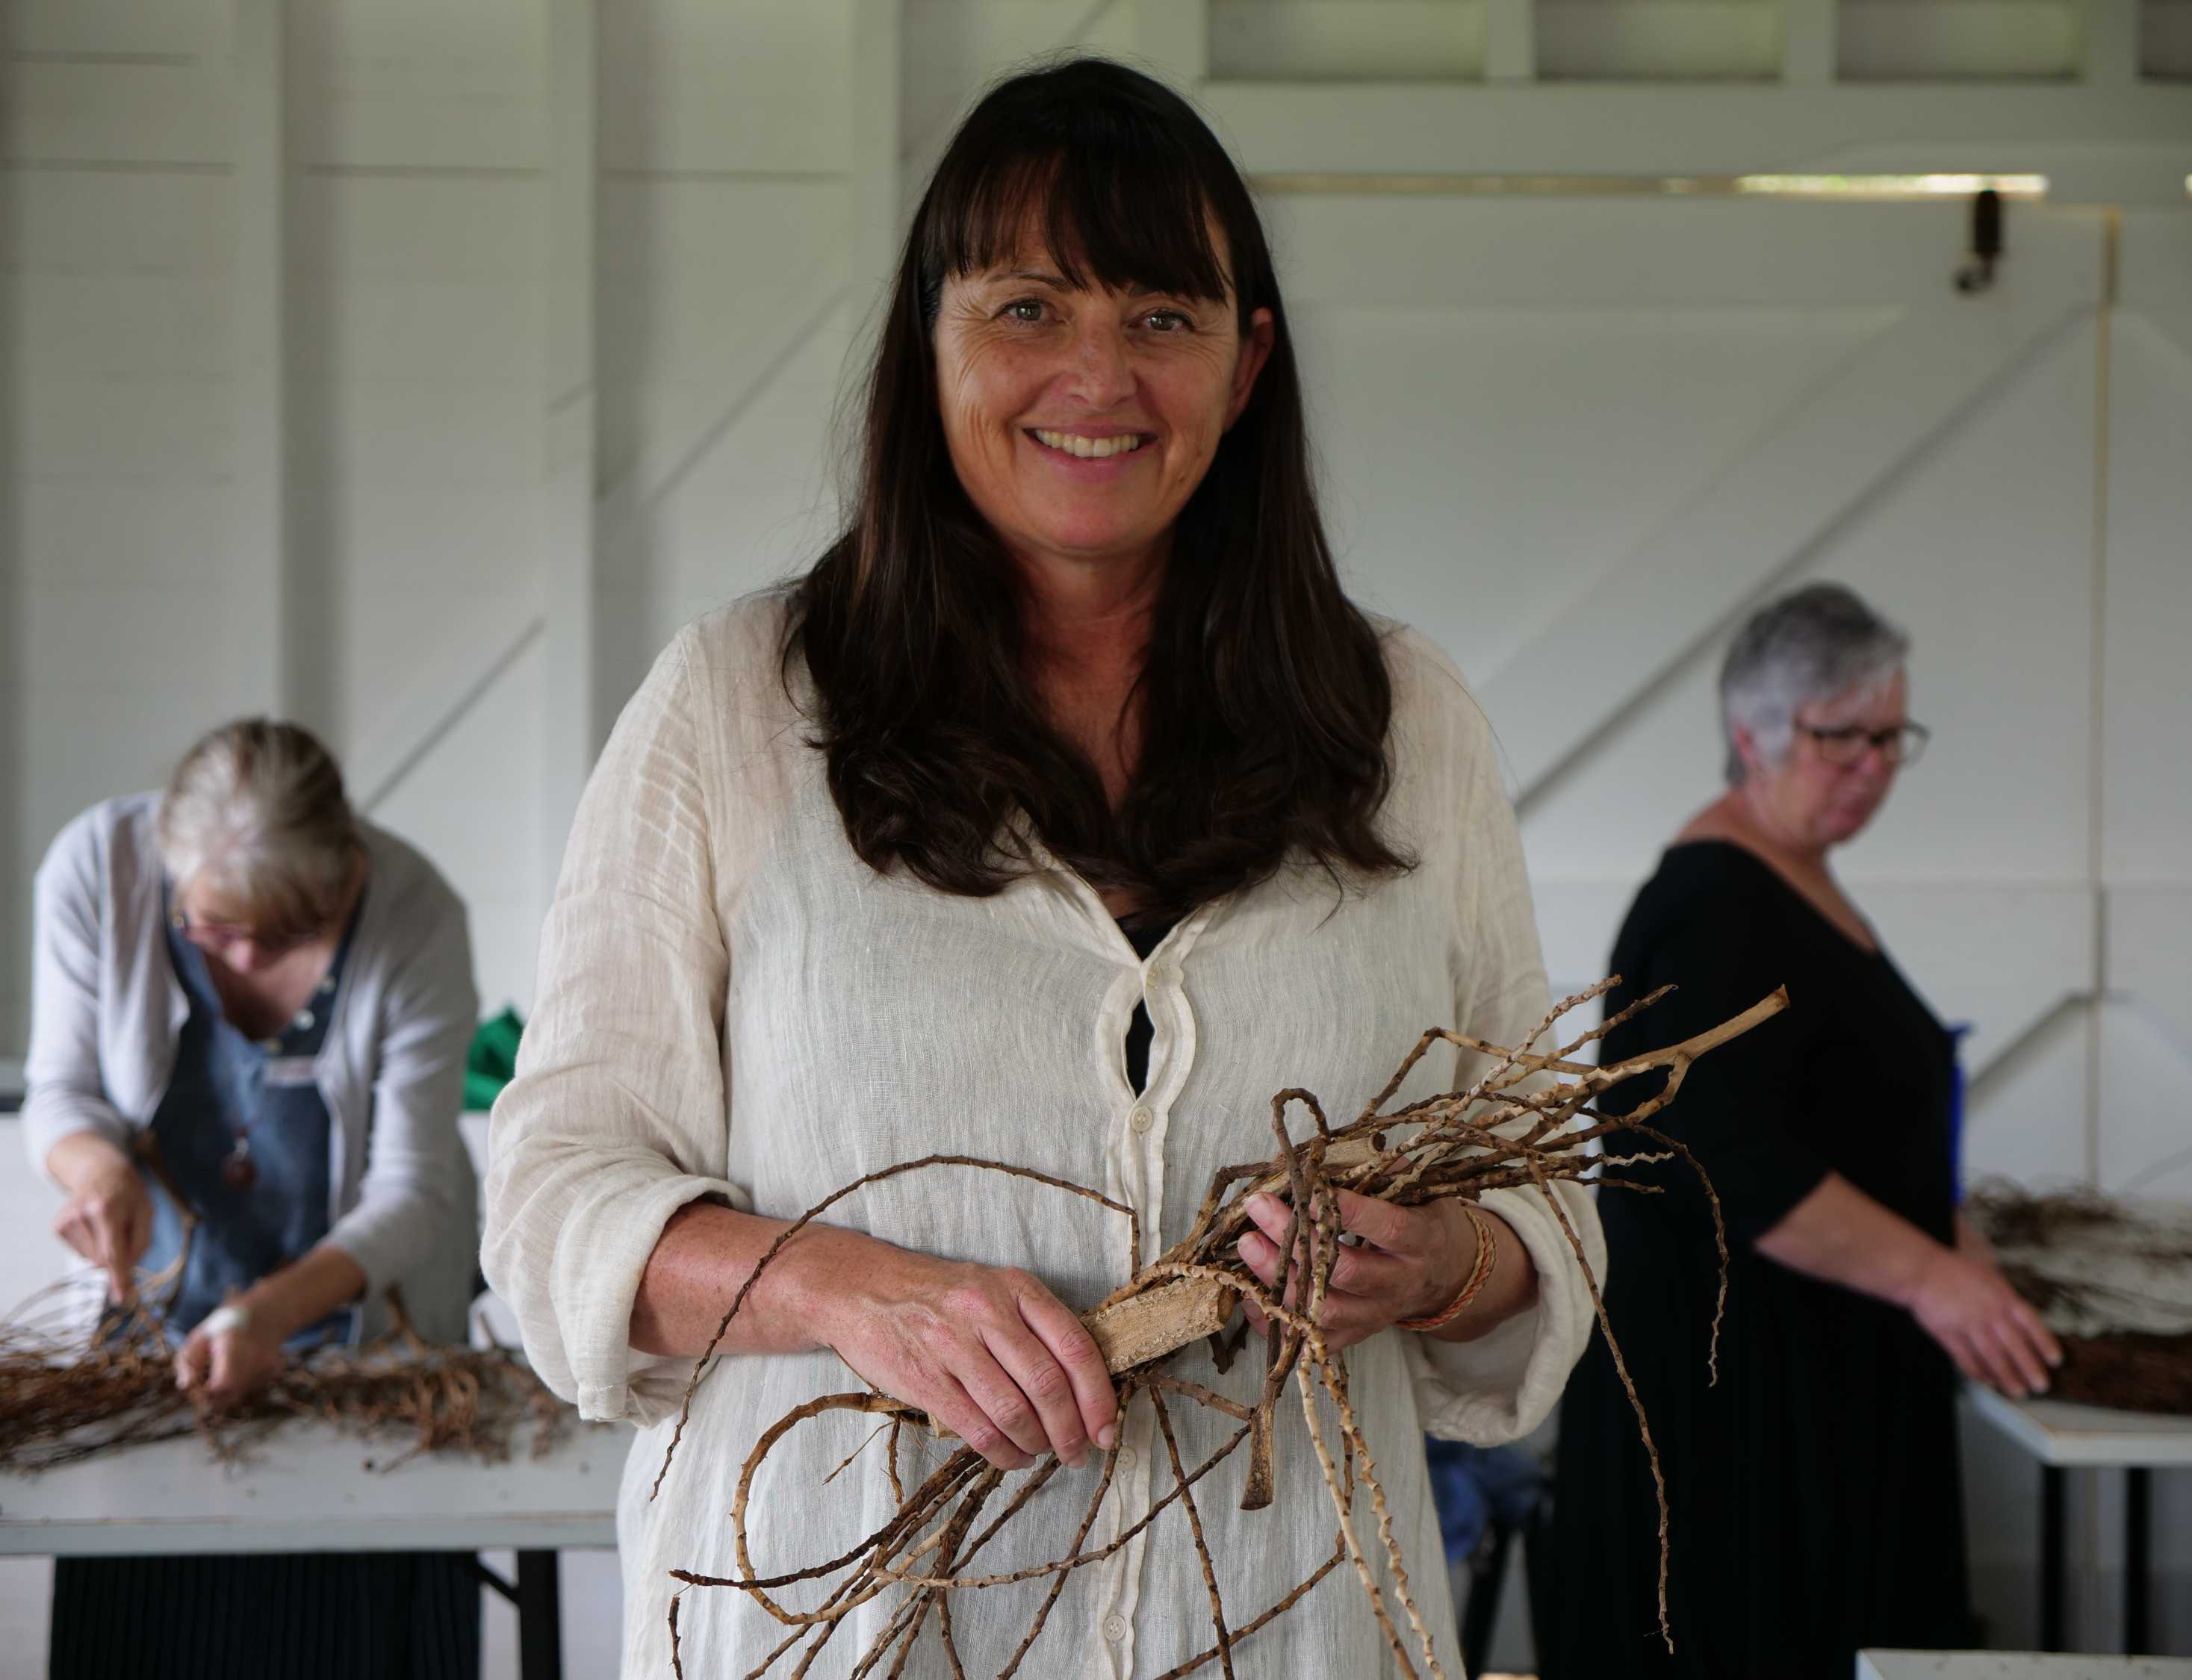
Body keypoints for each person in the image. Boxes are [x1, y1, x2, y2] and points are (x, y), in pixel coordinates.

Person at [483, 57, 1602, 1679]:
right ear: (930, 343)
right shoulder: (737, 707)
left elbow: (1545, 1206)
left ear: (1246, 365)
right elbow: (556, 1202)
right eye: (1027, 308)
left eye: (1162, 316)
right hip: (849, 1635)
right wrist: (849, 1291)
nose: (1098, 375)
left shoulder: (1404, 723)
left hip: (1285, 1627)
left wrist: (1440, 1266)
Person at [1543, 583, 2064, 1679]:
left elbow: (1837, 1120)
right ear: (1752, 735)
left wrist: (1954, 1238)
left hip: (1810, 1393)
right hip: (1737, 1421)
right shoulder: (1714, 904)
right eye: (1844, 738)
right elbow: (1726, 1154)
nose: (1874, 766)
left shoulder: (1794, 879)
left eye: (1891, 737)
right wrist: (1930, 1274)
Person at [25, 718, 483, 1679]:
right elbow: (60, 1093)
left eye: (283, 937)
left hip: (364, 1355)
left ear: (347, 874)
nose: (238, 962)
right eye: (211, 932)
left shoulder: (417, 914)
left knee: (353, 1631)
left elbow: (412, 1188)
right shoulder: (96, 868)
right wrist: (99, 1172)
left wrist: (265, 1314)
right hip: (153, 1354)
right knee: (147, 1625)